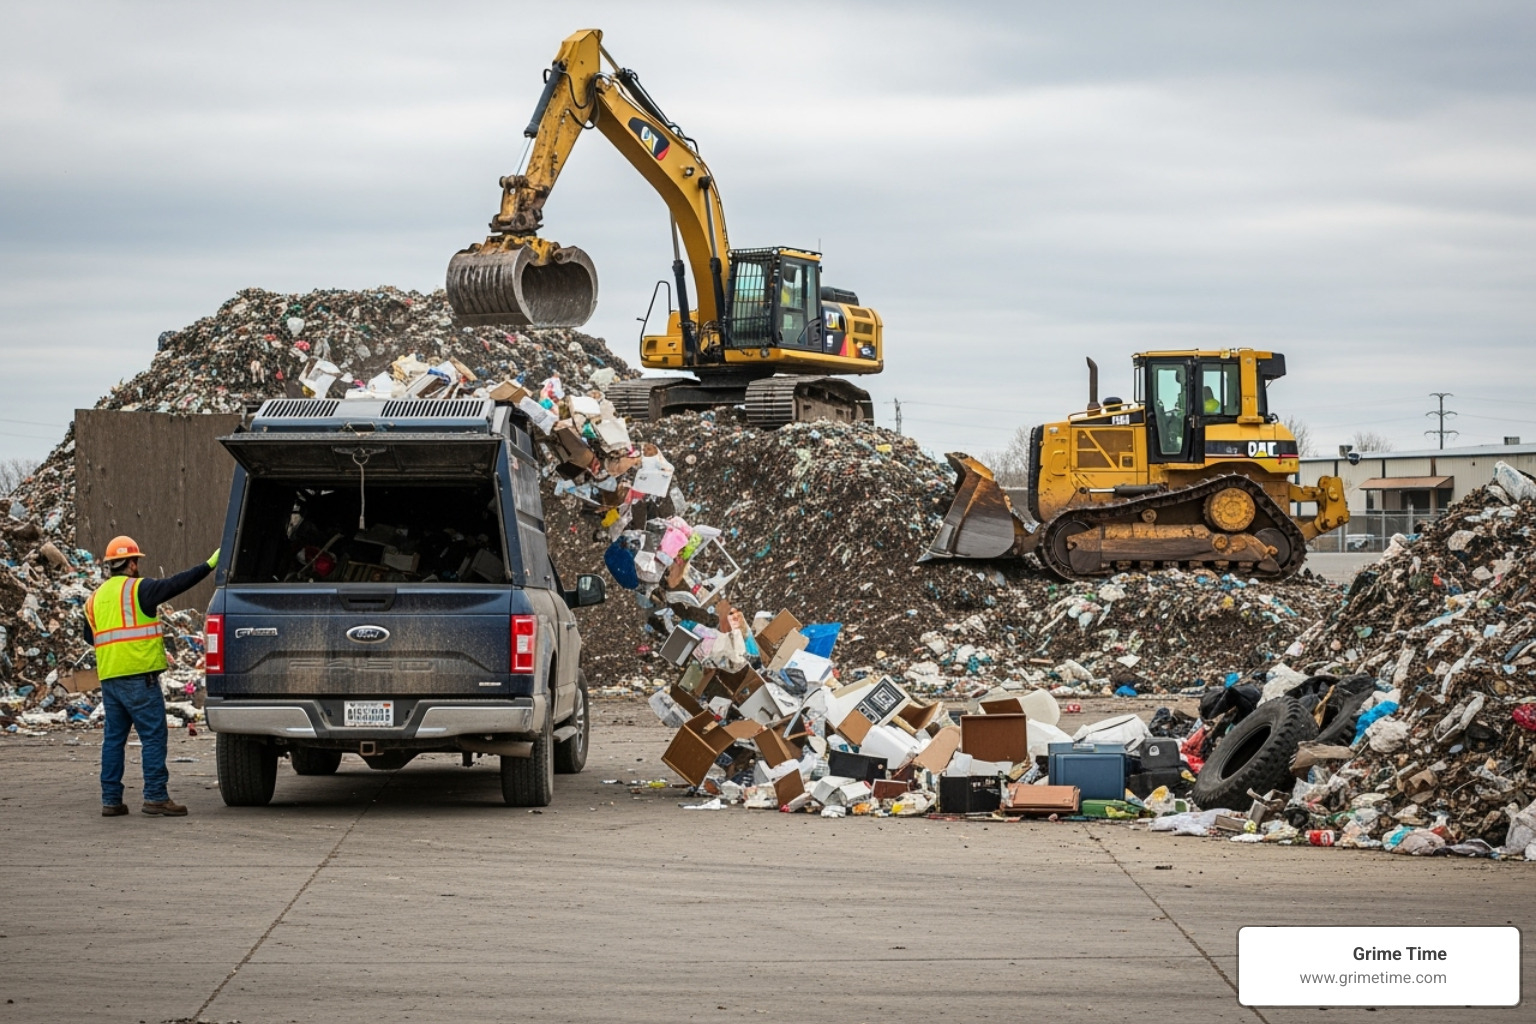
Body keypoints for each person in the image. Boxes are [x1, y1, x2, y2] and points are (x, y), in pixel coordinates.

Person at [85, 536, 219, 817]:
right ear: (132, 564)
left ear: (110, 565)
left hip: (110, 680)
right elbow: (176, 583)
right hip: (140, 678)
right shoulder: (139, 589)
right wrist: (209, 564)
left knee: (113, 740)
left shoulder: (94, 599)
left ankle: (111, 800)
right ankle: (156, 797)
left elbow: (90, 637)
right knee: (153, 737)